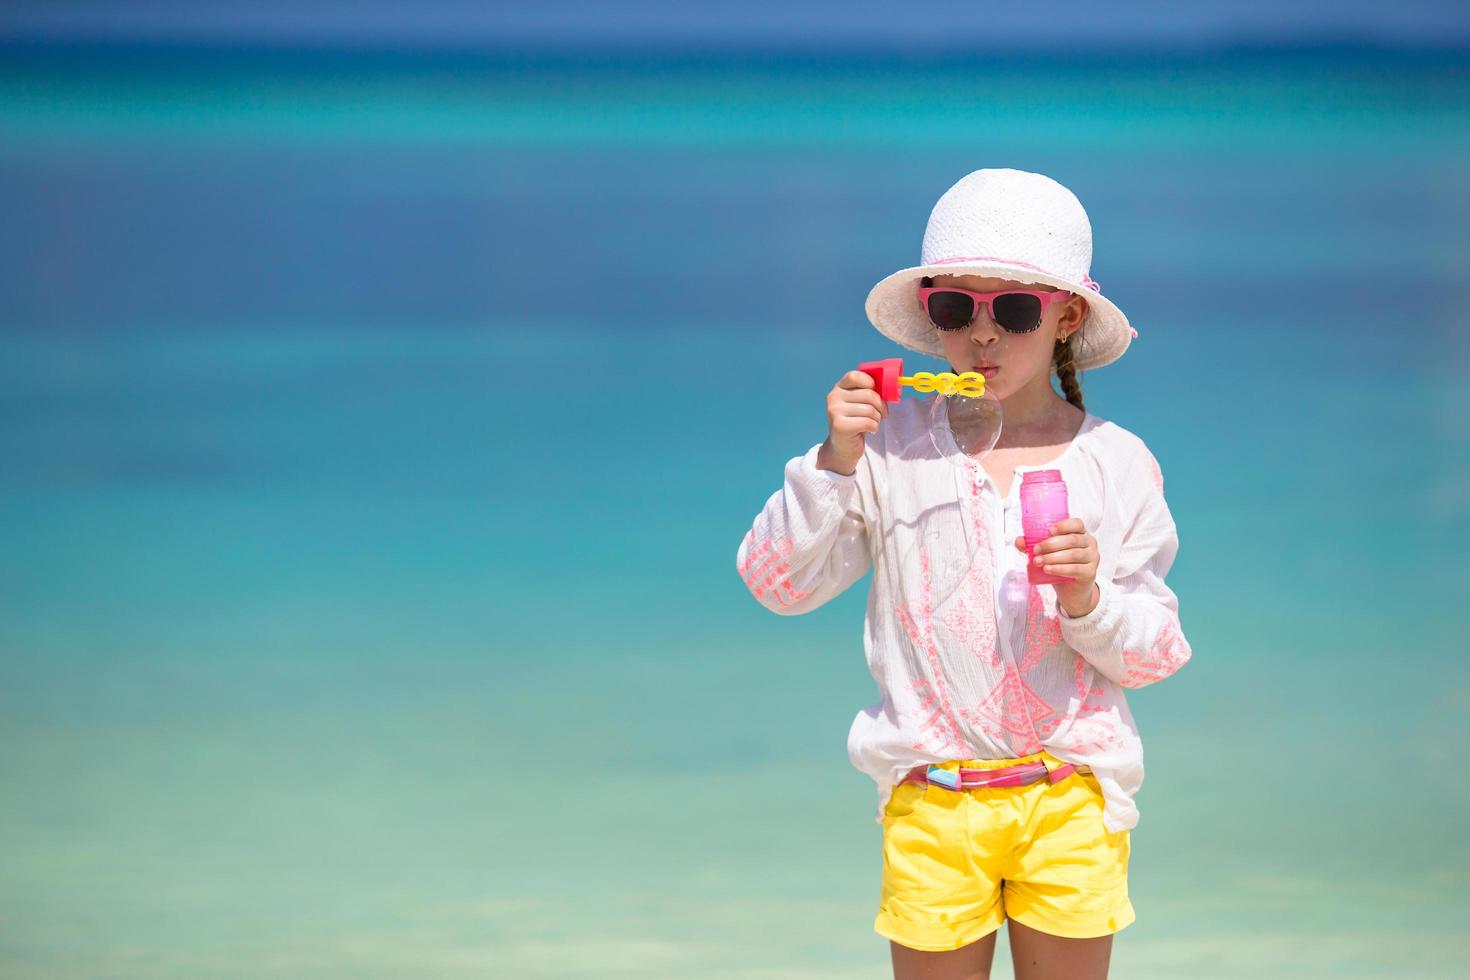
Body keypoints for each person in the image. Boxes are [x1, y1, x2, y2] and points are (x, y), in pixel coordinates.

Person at [735, 168, 1193, 980]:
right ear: (931, 315)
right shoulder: (888, 448)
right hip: (932, 797)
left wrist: (1088, 600)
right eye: (955, 310)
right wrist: (833, 461)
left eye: (1013, 311)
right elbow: (779, 587)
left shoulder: (1118, 464)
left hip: (1073, 797)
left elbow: (1156, 655)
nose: (982, 337)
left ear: (1066, 317)